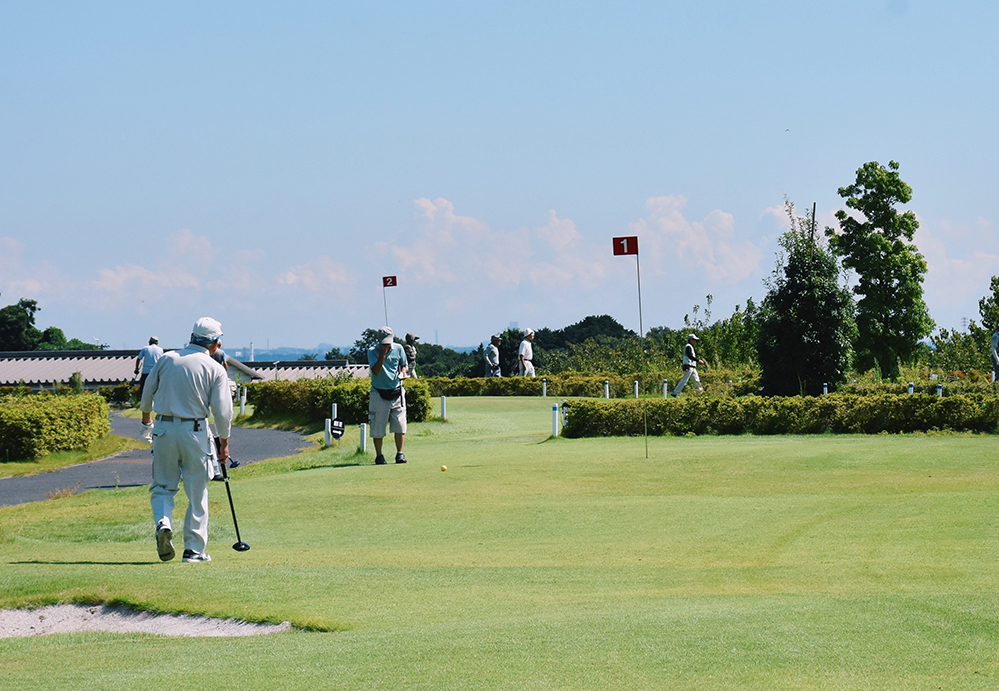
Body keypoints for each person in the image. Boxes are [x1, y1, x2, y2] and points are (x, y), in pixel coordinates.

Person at [140, 317, 233, 563]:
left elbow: (147, 393)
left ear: (192, 337)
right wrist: (224, 443)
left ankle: (163, 523)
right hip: (195, 431)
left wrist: (146, 421)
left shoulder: (167, 359)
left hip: (163, 429)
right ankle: (193, 550)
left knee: (162, 486)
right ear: (215, 343)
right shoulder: (214, 368)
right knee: (197, 491)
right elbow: (223, 412)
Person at [367, 326, 408, 465]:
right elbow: (376, 371)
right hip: (378, 392)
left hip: (397, 391)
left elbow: (404, 364)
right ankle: (379, 456)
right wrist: (382, 355)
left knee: (400, 424)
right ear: (378, 341)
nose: (386, 345)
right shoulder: (372, 352)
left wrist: (403, 372)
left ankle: (400, 454)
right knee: (377, 426)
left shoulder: (399, 348)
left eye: (388, 342)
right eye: (384, 343)